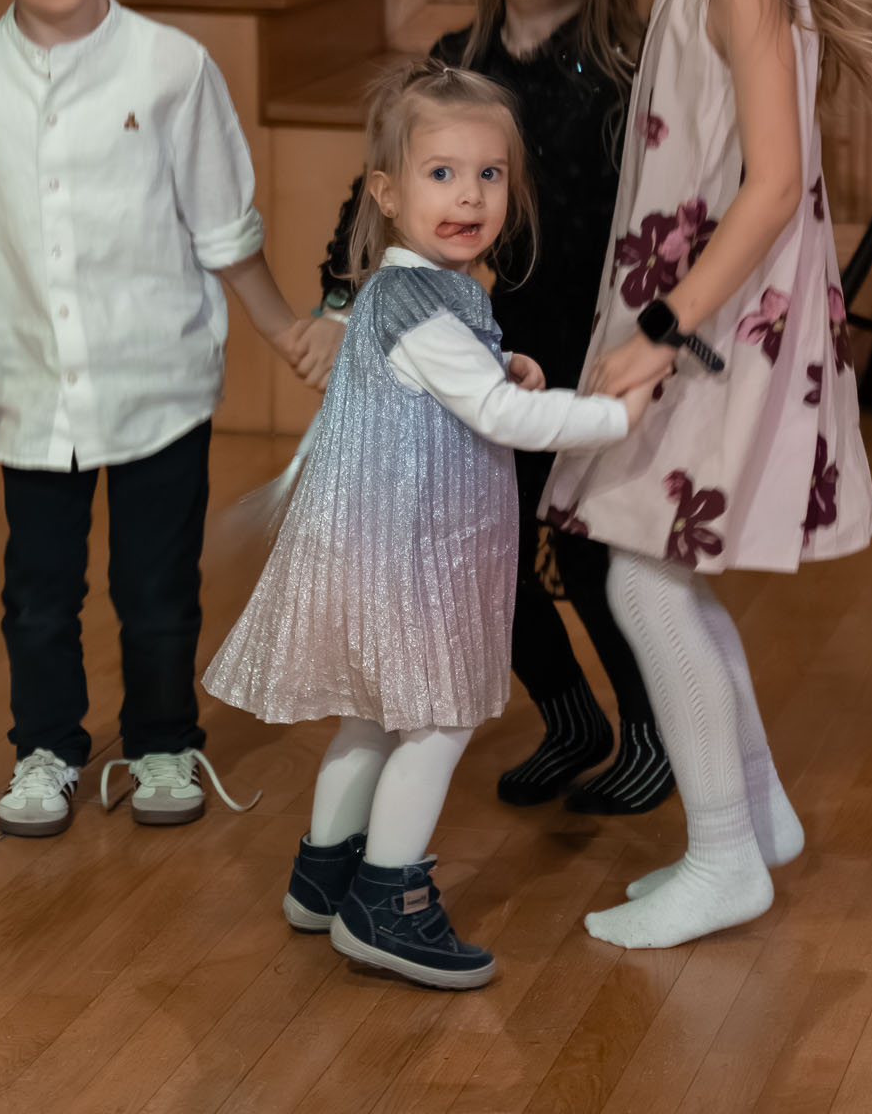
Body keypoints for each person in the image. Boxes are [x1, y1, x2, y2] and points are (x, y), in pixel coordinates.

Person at [543, 0, 872, 951]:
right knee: (659, 571)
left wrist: (664, 330)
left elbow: (775, 184)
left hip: (716, 325)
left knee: (641, 578)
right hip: (697, 314)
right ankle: (758, 815)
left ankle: (725, 853)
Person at [204, 61, 653, 991]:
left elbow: (461, 385)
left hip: (381, 550)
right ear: (387, 193)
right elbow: (499, 417)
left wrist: (504, 360)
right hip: (412, 560)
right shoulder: (423, 307)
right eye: (442, 174)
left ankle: (323, 878)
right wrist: (615, 416)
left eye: (490, 174)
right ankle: (386, 902)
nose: (470, 196)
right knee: (439, 723)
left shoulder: (408, 291)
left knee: (372, 719)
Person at [0, 0, 312, 840]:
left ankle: (163, 741)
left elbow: (223, 226)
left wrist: (285, 330)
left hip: (159, 384)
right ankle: (45, 748)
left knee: (157, 587)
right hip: (34, 391)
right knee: (38, 591)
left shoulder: (171, 67)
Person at [306, 0, 674, 818]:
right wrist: (339, 302)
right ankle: (569, 718)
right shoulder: (456, 62)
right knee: (481, 556)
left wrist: (645, 342)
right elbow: (373, 194)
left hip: (586, 348)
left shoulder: (625, 73)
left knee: (591, 556)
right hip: (479, 357)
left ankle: (649, 732)